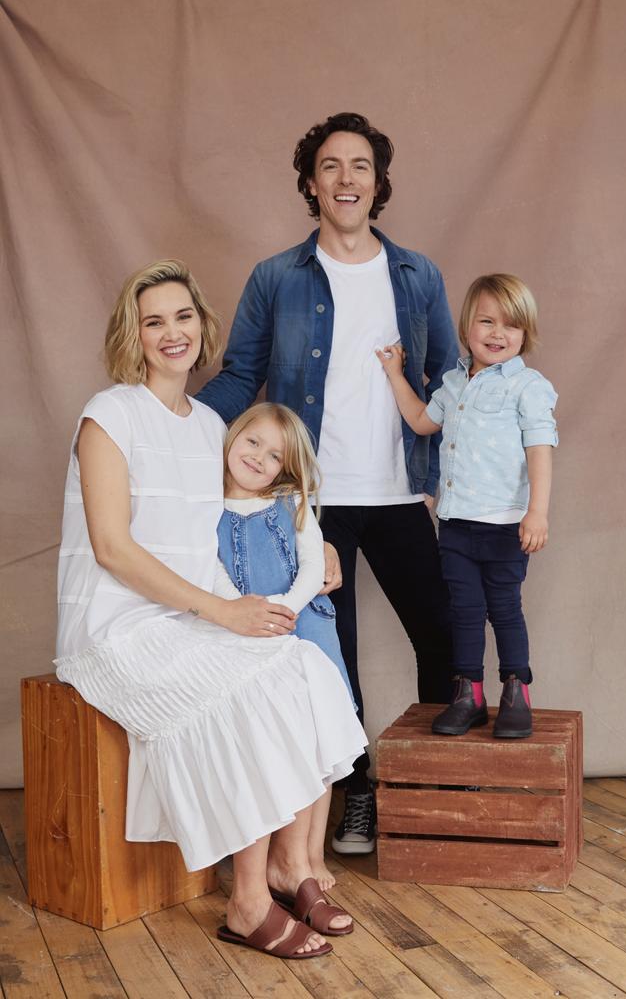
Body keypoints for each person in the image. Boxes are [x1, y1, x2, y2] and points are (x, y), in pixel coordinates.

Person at [54, 259, 367, 960]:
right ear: (132, 334)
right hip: (115, 625)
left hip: (187, 614)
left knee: (303, 669)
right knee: (251, 685)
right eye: (153, 320)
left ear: (204, 325)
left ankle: (292, 865)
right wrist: (221, 615)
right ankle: (248, 902)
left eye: (183, 317)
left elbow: (248, 507)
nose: (172, 333)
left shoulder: (206, 425)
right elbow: (112, 547)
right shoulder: (109, 413)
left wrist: (316, 556)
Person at [197, 112, 459, 853]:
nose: (347, 179)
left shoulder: (417, 275)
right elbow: (243, 374)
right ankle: (358, 793)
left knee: (441, 636)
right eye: (332, 167)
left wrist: (455, 478)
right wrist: (176, 421)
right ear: (310, 184)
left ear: (379, 184)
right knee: (325, 659)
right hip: (310, 502)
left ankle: (434, 788)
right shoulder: (277, 277)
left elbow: (443, 385)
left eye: (361, 166)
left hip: (402, 492)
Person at [377, 274, 558, 738]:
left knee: (504, 608)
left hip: (504, 525)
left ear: (525, 334)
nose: (498, 333)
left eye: (511, 326)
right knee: (463, 611)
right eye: (487, 321)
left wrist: (537, 511)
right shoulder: (453, 383)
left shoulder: (528, 387)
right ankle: (469, 694)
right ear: (466, 328)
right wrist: (396, 375)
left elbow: (540, 447)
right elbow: (420, 421)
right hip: (456, 523)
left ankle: (517, 690)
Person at [213, 400, 355, 889]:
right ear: (232, 437)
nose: (258, 458)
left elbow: (313, 566)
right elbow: (206, 569)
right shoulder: (206, 505)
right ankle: (282, 858)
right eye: (252, 441)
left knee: (323, 731)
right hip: (245, 626)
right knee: (281, 736)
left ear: (286, 467)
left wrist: (287, 608)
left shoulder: (290, 501)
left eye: (274, 455)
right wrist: (240, 609)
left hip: (304, 621)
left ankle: (311, 856)